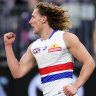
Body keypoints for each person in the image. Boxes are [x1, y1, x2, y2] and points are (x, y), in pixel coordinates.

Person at [4, 2, 95, 96]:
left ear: (44, 19)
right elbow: (17, 72)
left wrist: (75, 86)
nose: (30, 21)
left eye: (33, 17)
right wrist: (8, 46)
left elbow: (89, 62)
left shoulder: (65, 38)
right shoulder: (34, 47)